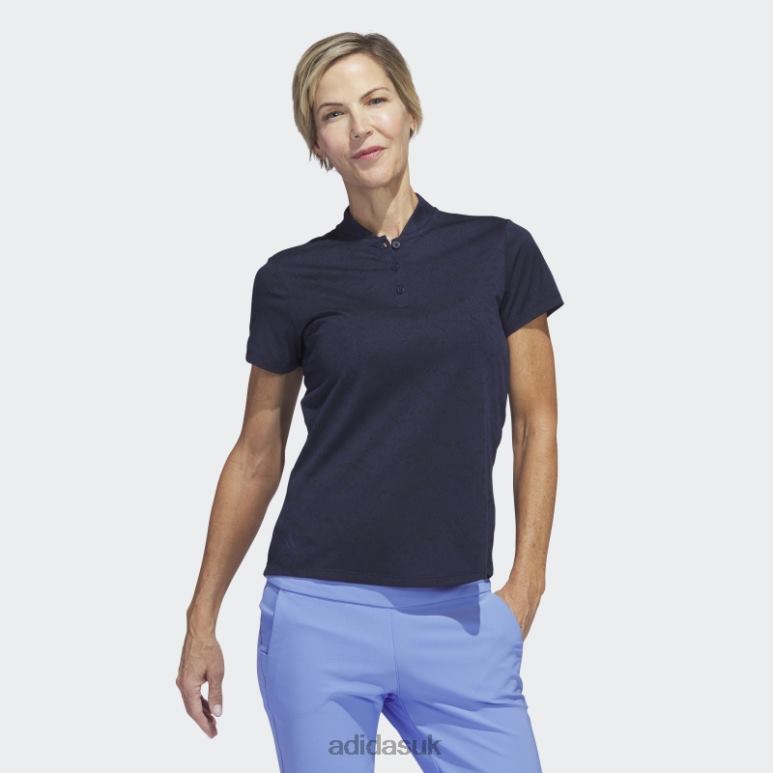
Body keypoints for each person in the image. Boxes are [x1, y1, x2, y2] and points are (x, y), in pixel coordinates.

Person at [177, 32, 564, 773]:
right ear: (317, 144)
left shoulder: (500, 252)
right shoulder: (290, 279)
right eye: (333, 114)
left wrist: (527, 584)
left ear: (409, 111)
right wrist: (201, 618)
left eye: (376, 100)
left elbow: (536, 423)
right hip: (317, 616)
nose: (360, 127)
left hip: (460, 619)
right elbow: (257, 451)